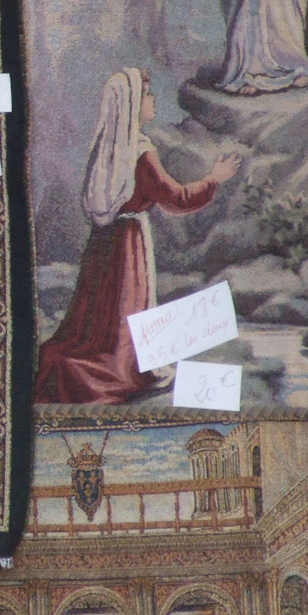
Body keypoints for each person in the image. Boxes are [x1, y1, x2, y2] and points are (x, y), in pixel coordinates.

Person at [35, 69, 240, 404]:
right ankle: (124, 369)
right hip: (129, 246)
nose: (153, 100)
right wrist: (213, 179)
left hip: (102, 245)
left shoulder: (107, 149)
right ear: (132, 104)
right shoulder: (141, 153)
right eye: (147, 95)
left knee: (99, 318)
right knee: (126, 315)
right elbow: (177, 198)